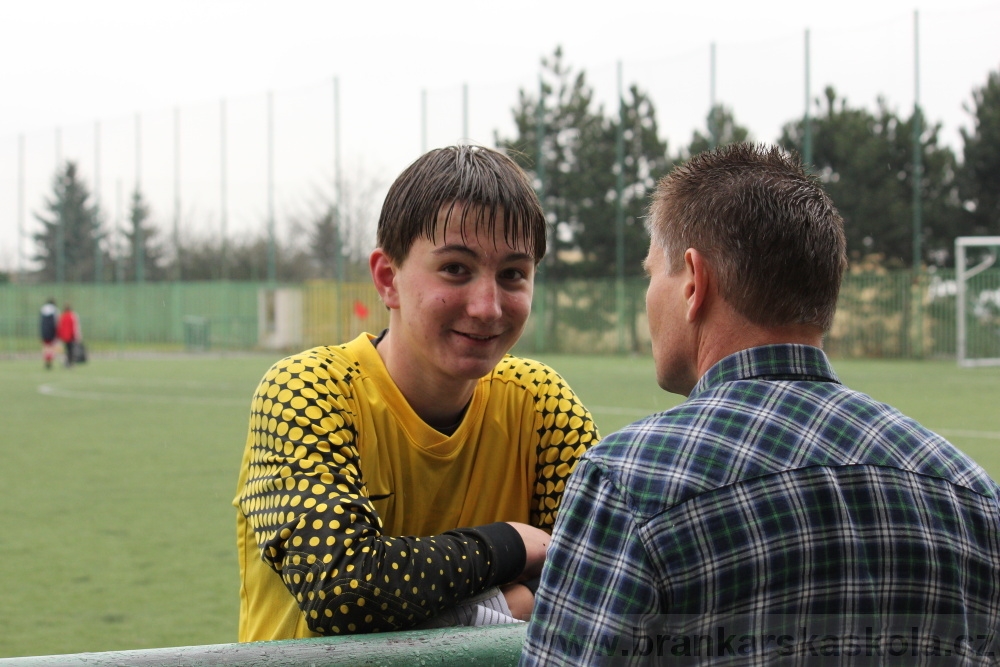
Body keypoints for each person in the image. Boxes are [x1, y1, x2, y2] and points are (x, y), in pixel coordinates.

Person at [522, 143, 1000, 665]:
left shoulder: (628, 481)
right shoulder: (973, 495)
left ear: (694, 283)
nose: (647, 295)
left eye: (651, 272)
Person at [234, 145, 600, 641]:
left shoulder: (541, 402)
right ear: (388, 279)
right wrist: (508, 547)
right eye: (455, 268)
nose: (488, 306)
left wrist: (432, 597)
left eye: (513, 273)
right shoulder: (307, 391)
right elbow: (345, 592)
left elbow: (604, 576)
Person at [56, 303, 81, 368]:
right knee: (70, 350)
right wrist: (77, 335)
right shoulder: (72, 315)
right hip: (71, 336)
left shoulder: (62, 316)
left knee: (67, 349)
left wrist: (59, 335)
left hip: (64, 336)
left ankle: (67, 362)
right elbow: (75, 327)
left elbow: (59, 326)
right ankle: (69, 362)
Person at [39, 298, 58, 369]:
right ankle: (50, 361)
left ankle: (46, 361)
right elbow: (55, 323)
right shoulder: (54, 311)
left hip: (44, 332)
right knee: (51, 347)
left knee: (45, 347)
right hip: (52, 332)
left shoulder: (42, 311)